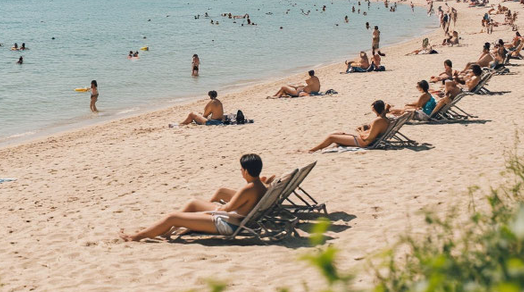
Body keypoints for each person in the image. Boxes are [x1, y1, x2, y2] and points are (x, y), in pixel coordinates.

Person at [119, 154, 271, 241]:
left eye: (241, 169)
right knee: (193, 203)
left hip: (229, 224)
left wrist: (204, 213)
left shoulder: (248, 188)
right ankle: (166, 231)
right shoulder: (259, 185)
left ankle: (137, 237)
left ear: (245, 171)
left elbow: (227, 208)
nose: (240, 171)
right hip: (235, 219)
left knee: (172, 216)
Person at [308, 100, 390, 151]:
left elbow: (368, 138)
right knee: (338, 133)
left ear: (376, 109)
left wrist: (360, 131)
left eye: (373, 110)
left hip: (363, 142)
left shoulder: (378, 121)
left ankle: (313, 150)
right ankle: (319, 147)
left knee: (331, 137)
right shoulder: (385, 119)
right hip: (364, 139)